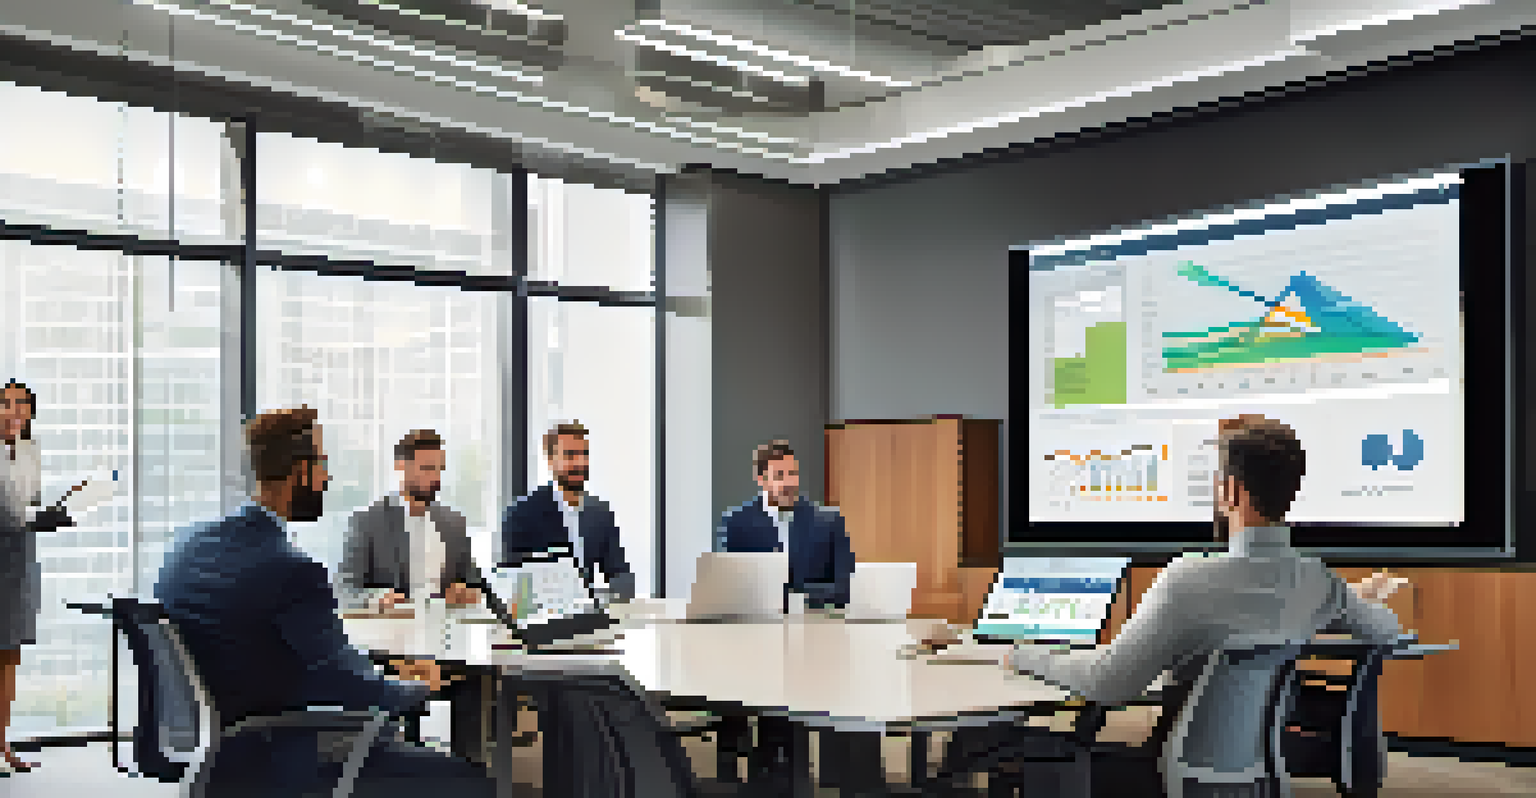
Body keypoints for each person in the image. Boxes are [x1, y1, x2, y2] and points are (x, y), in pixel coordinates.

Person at [1000, 415, 1405, 794]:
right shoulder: (1316, 581)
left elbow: (1111, 682)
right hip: (1259, 766)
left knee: (1030, 750)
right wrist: (1346, 602)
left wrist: (1025, 657)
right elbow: (1387, 631)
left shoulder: (1188, 577)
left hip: (1167, 771)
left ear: (1230, 490)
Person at [154, 407, 494, 796]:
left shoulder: (185, 546)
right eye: (322, 465)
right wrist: (421, 684)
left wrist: (384, 668)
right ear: (299, 472)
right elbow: (352, 687)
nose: (327, 478)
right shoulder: (291, 569)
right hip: (282, 755)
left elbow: (287, 656)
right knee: (475, 783)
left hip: (215, 752)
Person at [336, 428, 490, 764]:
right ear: (401, 467)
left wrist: (467, 590)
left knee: (478, 682)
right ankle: (397, 765)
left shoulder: (453, 523)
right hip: (393, 648)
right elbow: (344, 588)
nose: (434, 478)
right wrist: (377, 599)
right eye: (425, 468)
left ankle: (471, 771)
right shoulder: (368, 521)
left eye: (438, 469)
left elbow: (478, 583)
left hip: (448, 641)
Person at [714, 439, 859, 786]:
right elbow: (730, 584)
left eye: (792, 473)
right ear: (761, 480)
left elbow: (845, 588)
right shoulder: (736, 523)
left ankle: (800, 775)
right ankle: (742, 773)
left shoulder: (828, 522)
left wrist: (792, 598)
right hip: (755, 643)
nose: (789, 482)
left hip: (814, 643)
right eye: (779, 475)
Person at [0, 380, 82, 775]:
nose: (13, 410)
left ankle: (2, 745)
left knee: (9, 656)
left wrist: (64, 507)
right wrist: (40, 518)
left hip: (17, 563)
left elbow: (27, 509)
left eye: (21, 403)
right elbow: (11, 514)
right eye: (4, 403)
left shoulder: (29, 452)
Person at [498, 421, 634, 602]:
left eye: (584, 454)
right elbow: (513, 584)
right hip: (542, 618)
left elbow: (621, 575)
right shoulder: (521, 514)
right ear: (550, 460)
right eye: (570, 455)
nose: (579, 463)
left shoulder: (600, 513)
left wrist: (603, 598)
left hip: (589, 617)